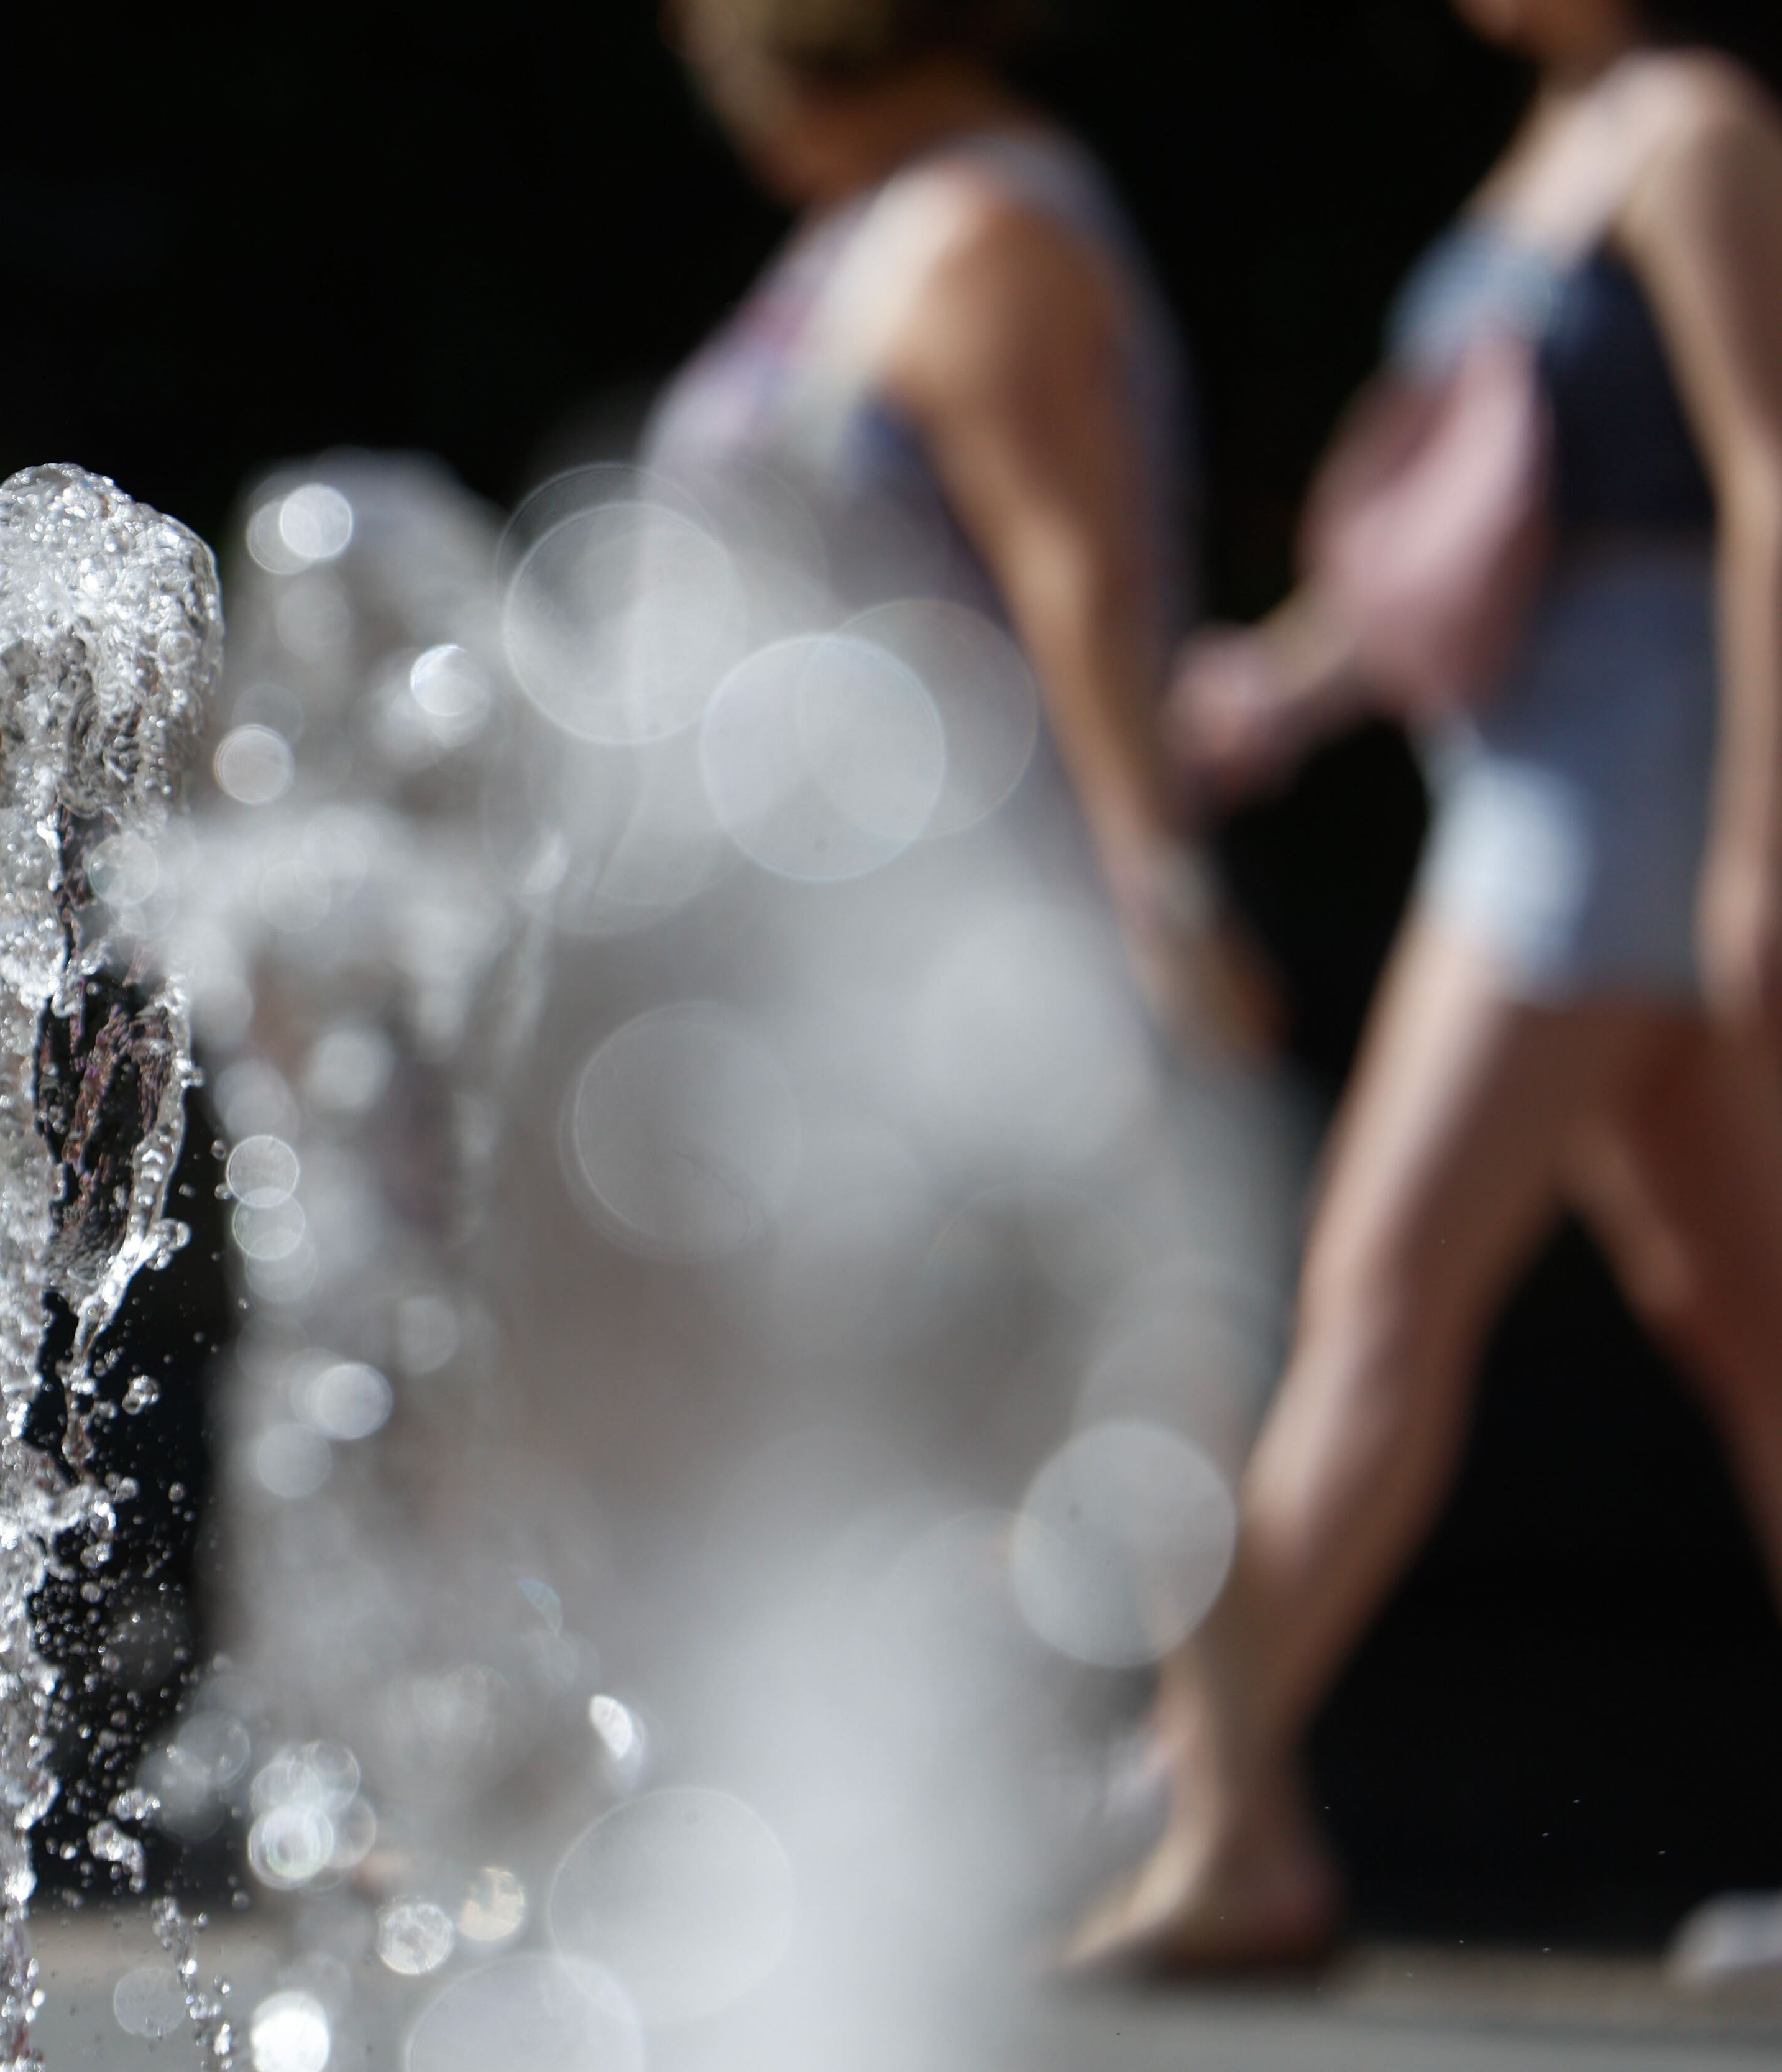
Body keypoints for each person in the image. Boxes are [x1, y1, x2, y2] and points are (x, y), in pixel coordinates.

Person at [1075, 0, 1782, 1969]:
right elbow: (1486, 511)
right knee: (1742, 1314)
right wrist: (1284, 690)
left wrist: (1756, 842)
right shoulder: (1562, 133)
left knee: (1381, 1289)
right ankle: (1184, 1793)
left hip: (1628, 786)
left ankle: (1179, 1802)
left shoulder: (1696, 126)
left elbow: (1770, 480)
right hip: (1541, 760)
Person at [654, 0, 1267, 1054]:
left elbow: (1077, 576)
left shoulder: (987, 233)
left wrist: (1165, 899)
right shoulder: (884, 218)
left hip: (976, 924)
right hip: (840, 902)